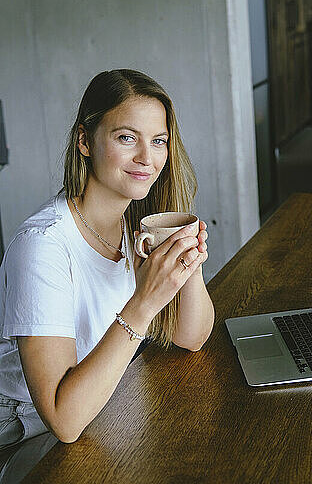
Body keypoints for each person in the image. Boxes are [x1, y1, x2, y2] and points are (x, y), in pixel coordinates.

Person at [0, 69, 214, 482]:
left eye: (158, 141)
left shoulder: (137, 224)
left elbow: (191, 338)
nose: (147, 159)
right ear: (85, 140)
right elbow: (64, 420)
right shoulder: (42, 246)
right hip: (24, 430)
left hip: (101, 405)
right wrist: (144, 302)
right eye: (126, 138)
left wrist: (187, 264)